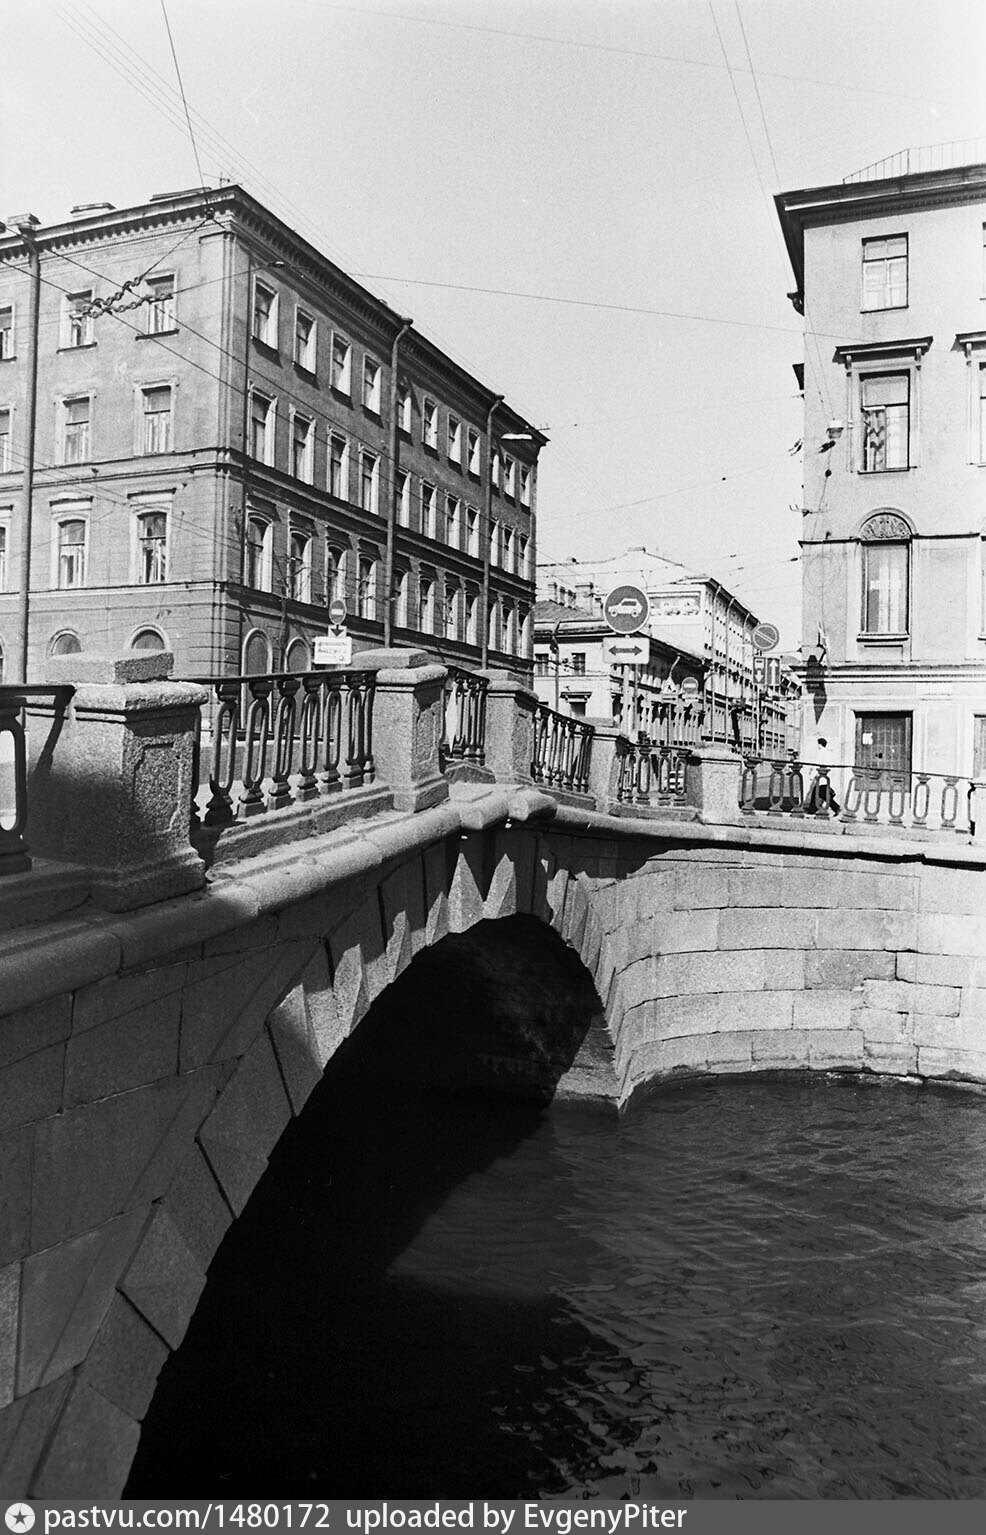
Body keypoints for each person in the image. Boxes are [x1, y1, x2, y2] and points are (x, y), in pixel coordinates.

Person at [805, 736, 840, 815]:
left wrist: (812, 776)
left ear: (819, 744)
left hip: (821, 777)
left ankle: (836, 807)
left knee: (820, 793)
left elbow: (817, 765)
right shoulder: (828, 753)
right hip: (826, 777)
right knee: (818, 792)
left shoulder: (821, 753)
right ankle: (812, 809)